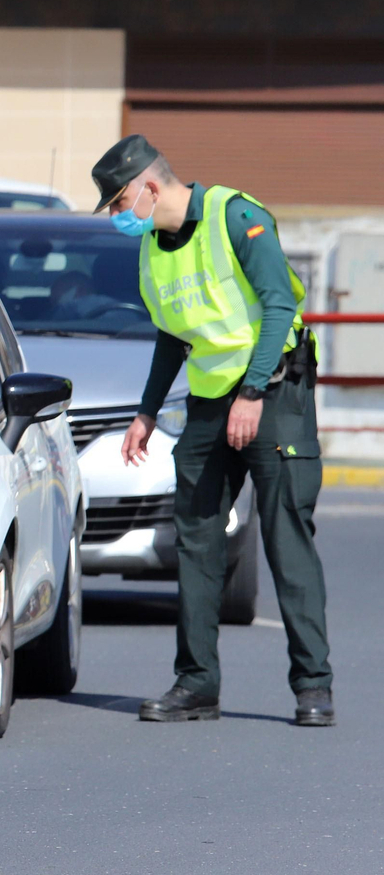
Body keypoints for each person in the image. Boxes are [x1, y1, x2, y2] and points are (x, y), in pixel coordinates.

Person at [94, 134, 334, 727]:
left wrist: (252, 393)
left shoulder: (236, 216)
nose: (119, 216)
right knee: (196, 538)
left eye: (120, 202)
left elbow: (278, 305)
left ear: (150, 188)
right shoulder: (153, 248)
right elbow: (172, 335)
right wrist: (147, 412)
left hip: (273, 392)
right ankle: (197, 683)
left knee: (286, 538)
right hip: (209, 401)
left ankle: (313, 686)